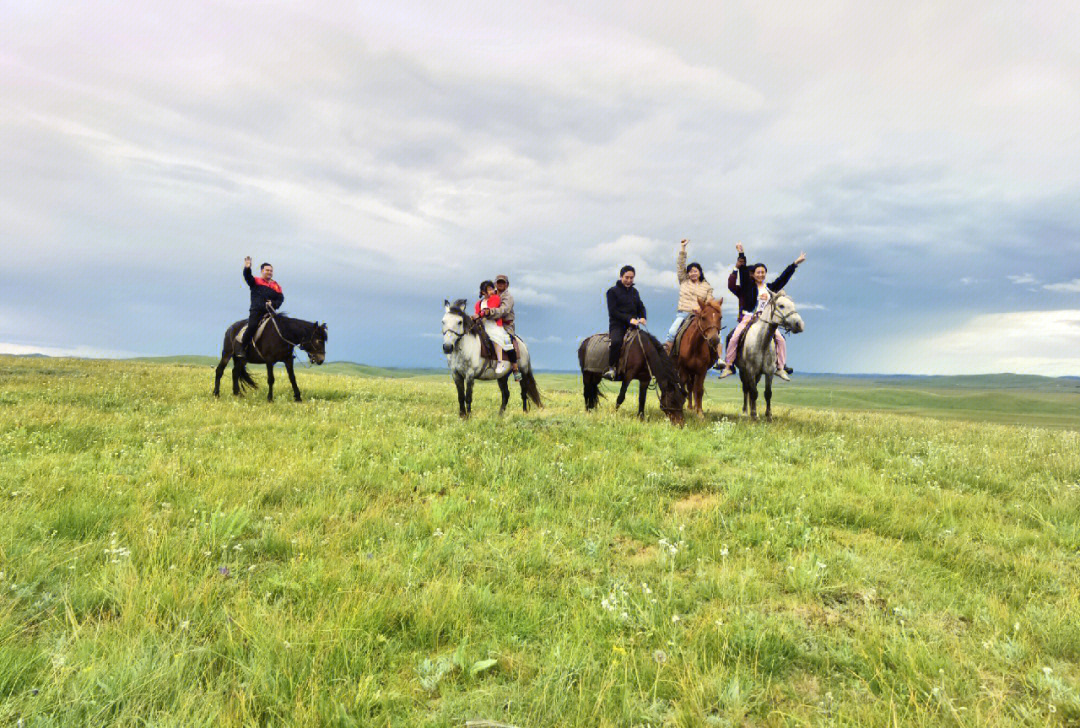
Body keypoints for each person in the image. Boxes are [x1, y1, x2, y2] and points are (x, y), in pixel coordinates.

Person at [718, 243, 805, 381]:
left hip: (766, 320)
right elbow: (743, 271)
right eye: (758, 272)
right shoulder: (748, 286)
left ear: (765, 274)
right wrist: (741, 253)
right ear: (754, 274)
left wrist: (795, 264)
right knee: (734, 337)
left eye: (763, 272)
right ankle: (729, 366)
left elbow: (783, 278)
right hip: (749, 317)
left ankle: (780, 368)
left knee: (781, 340)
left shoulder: (770, 288)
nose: (760, 274)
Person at [664, 238, 715, 355]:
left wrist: (701, 309)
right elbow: (680, 265)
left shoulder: (707, 286)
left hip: (700, 315)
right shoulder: (684, 281)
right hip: (684, 314)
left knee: (716, 333)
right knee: (672, 332)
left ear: (700, 272)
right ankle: (666, 357)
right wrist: (683, 248)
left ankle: (718, 359)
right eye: (690, 271)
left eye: (695, 271)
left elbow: (710, 300)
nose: (693, 273)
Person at [604, 265, 647, 380]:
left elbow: (640, 306)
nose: (629, 280)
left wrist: (643, 317)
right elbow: (613, 312)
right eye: (626, 277)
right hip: (617, 325)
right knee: (617, 342)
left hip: (633, 325)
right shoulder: (612, 291)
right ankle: (611, 368)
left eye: (631, 278)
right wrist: (629, 319)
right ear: (621, 277)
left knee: (645, 342)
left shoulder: (634, 292)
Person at [238, 256, 284, 364]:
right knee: (253, 326)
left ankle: (282, 353)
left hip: (271, 312)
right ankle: (242, 348)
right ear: (262, 271)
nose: (269, 272)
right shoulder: (256, 281)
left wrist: (273, 303)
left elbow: (280, 299)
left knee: (282, 327)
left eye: (271, 271)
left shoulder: (276, 285)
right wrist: (247, 267)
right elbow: (247, 276)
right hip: (257, 310)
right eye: (267, 270)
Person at [474, 280, 515, 378]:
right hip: (483, 324)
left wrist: (481, 314)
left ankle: (502, 362)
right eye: (489, 289)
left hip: (495, 324)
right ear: (483, 292)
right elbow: (477, 312)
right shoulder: (478, 303)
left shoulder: (497, 298)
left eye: (492, 288)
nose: (492, 291)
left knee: (498, 338)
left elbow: (497, 310)